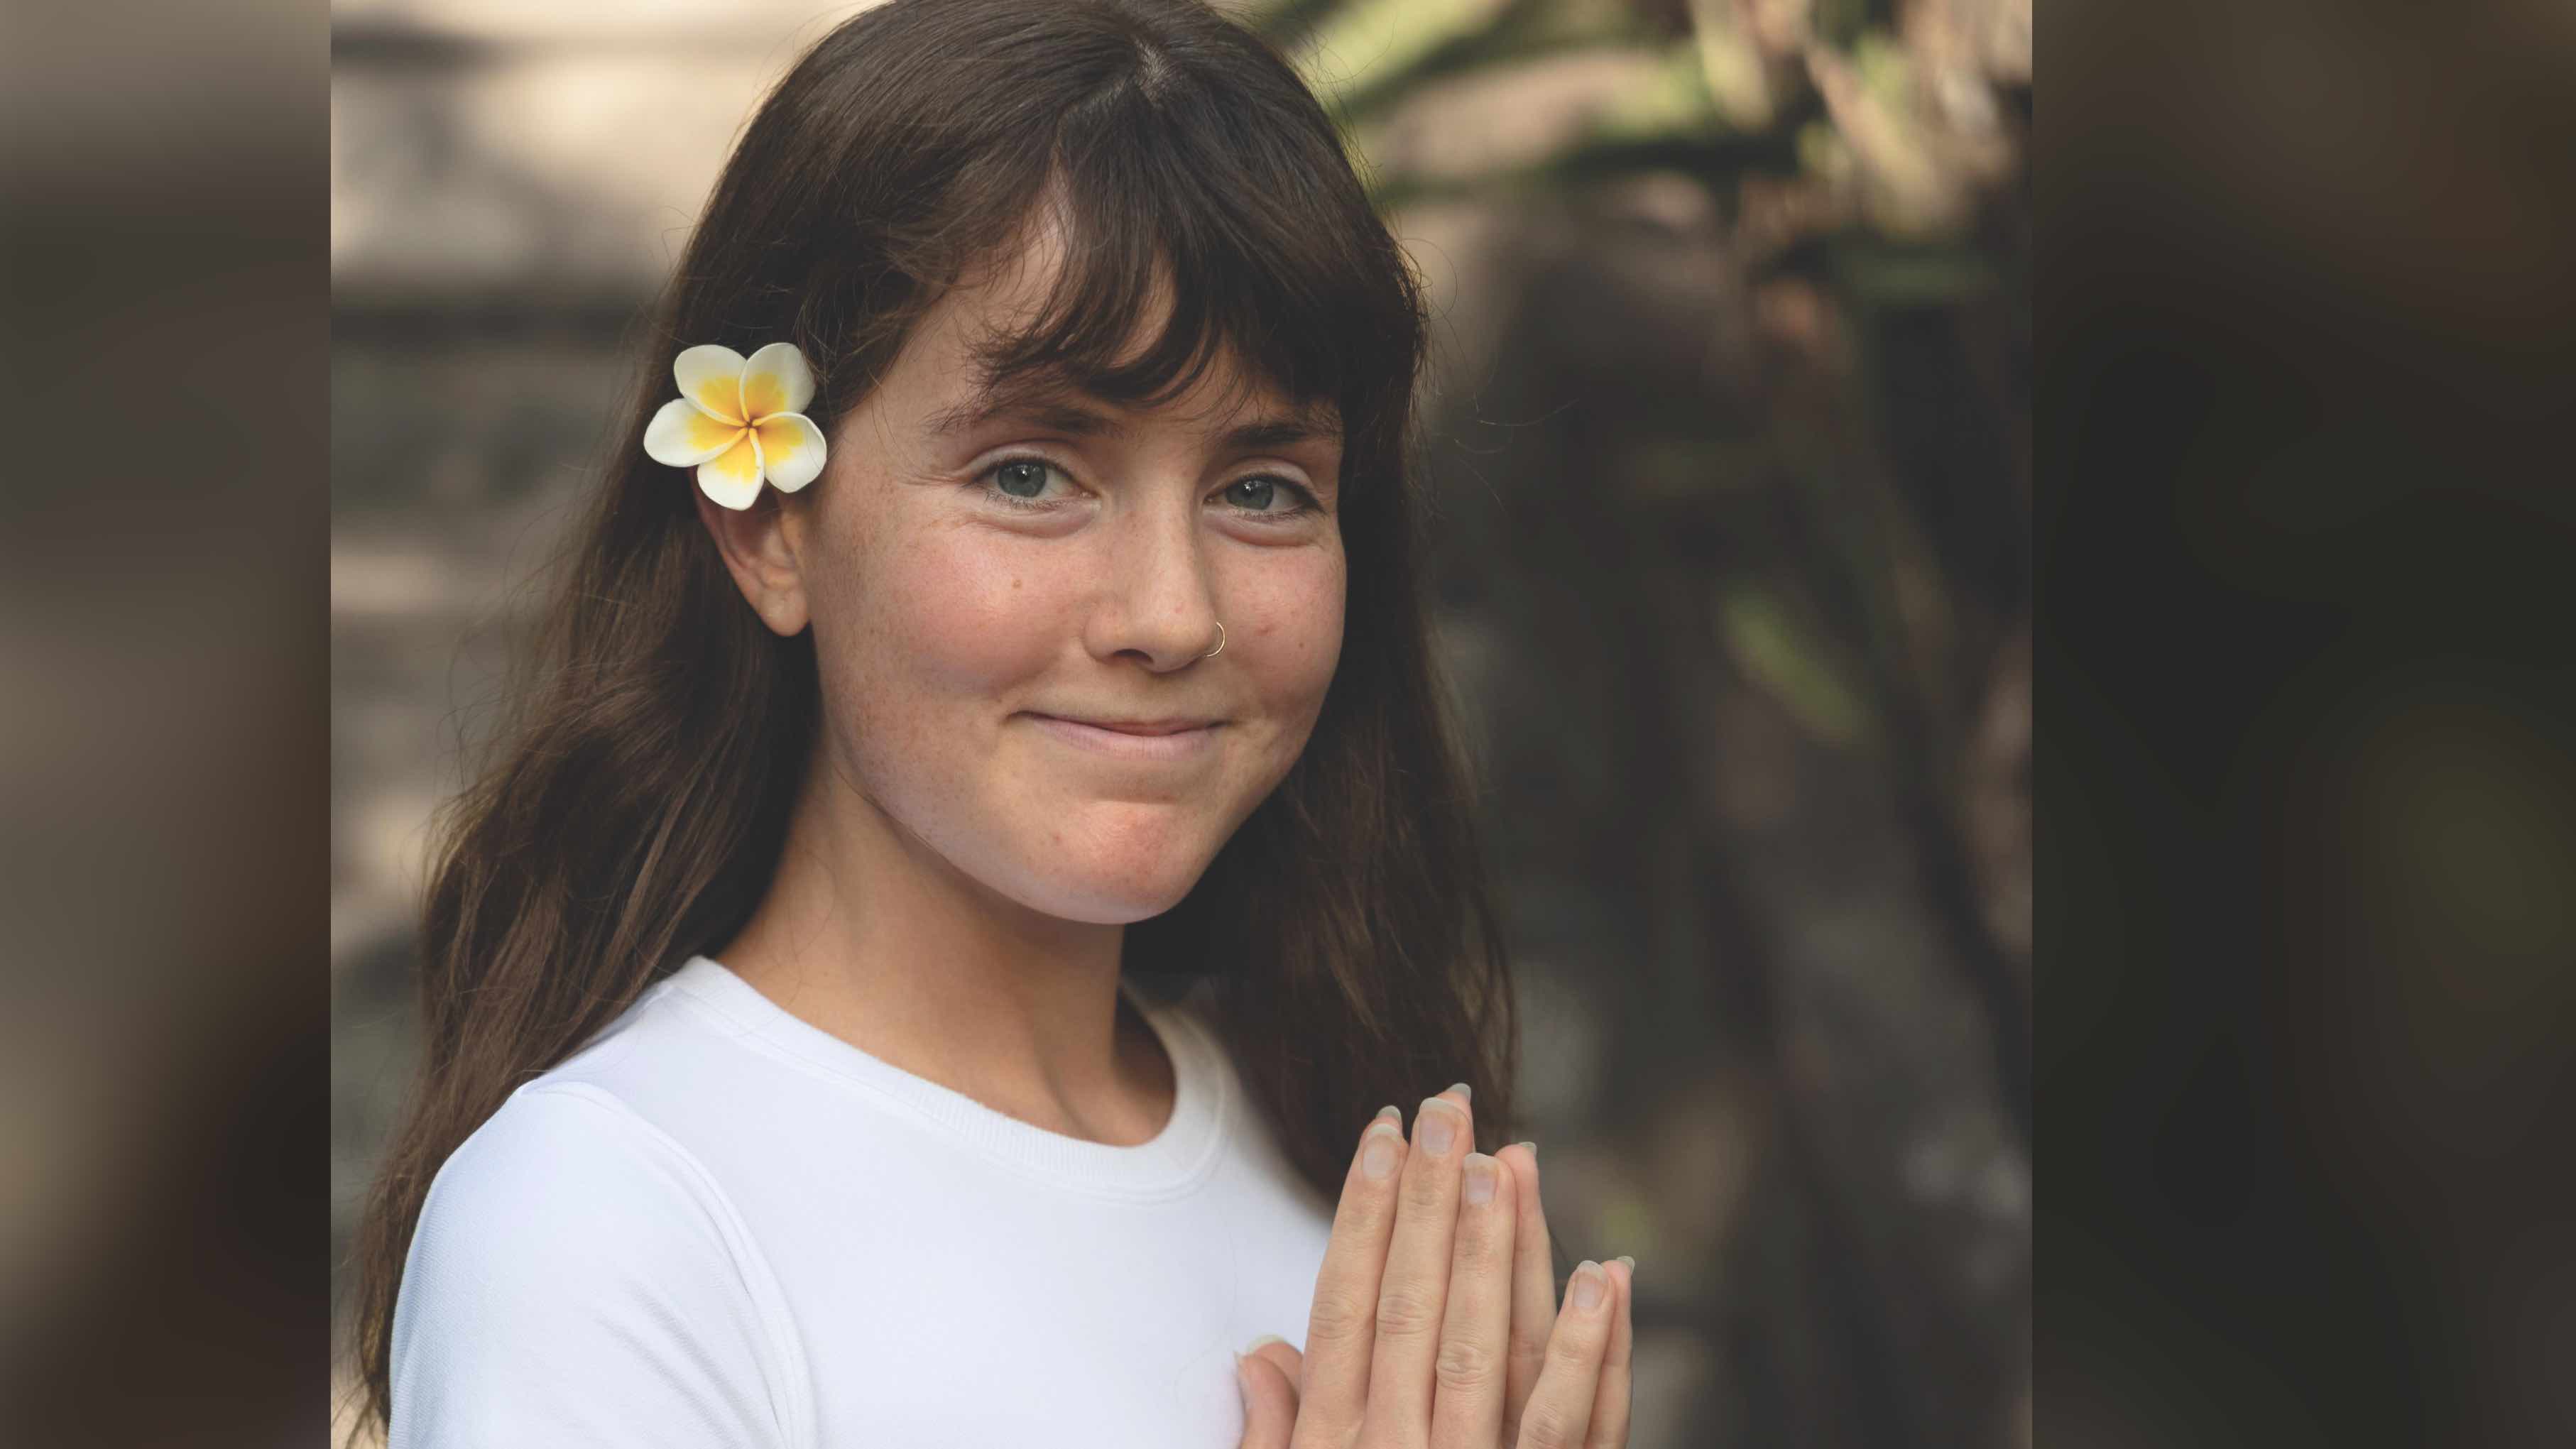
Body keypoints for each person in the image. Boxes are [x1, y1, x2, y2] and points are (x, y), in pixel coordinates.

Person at [342, 1, 1634, 1444]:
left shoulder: (1349, 1170)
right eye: (1029, 474)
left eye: (1261, 488)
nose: (1171, 612)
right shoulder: (605, 1224)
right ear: (768, 525)